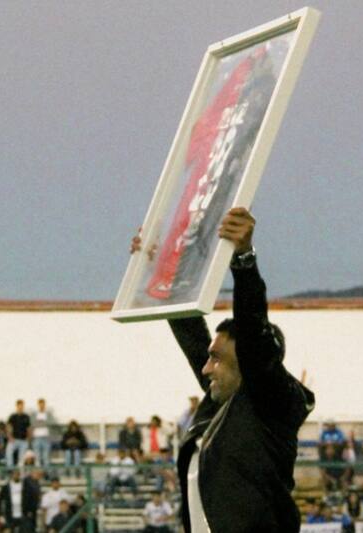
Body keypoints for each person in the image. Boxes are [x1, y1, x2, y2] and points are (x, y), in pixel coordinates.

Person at [132, 207, 315, 533]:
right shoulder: (221, 408)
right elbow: (189, 330)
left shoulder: (272, 407)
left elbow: (254, 333)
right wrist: (156, 266)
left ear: (247, 362)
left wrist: (244, 260)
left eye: (216, 358)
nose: (205, 368)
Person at [6, 400, 31, 467]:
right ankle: (10, 469)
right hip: (14, 440)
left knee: (22, 458)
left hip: (23, 440)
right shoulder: (12, 416)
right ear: (16, 406)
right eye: (19, 406)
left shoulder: (26, 417)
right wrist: (10, 437)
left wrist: (28, 438)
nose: (20, 407)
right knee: (9, 452)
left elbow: (28, 429)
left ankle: (20, 472)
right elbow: (8, 427)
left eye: (22, 406)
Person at [31, 398, 54, 468]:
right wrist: (43, 422)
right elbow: (33, 424)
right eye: (40, 404)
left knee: (46, 457)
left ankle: (46, 473)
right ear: (38, 405)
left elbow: (50, 423)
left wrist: (39, 422)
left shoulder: (48, 414)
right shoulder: (34, 414)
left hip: (46, 437)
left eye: (43, 404)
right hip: (36, 437)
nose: (42, 406)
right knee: (37, 458)